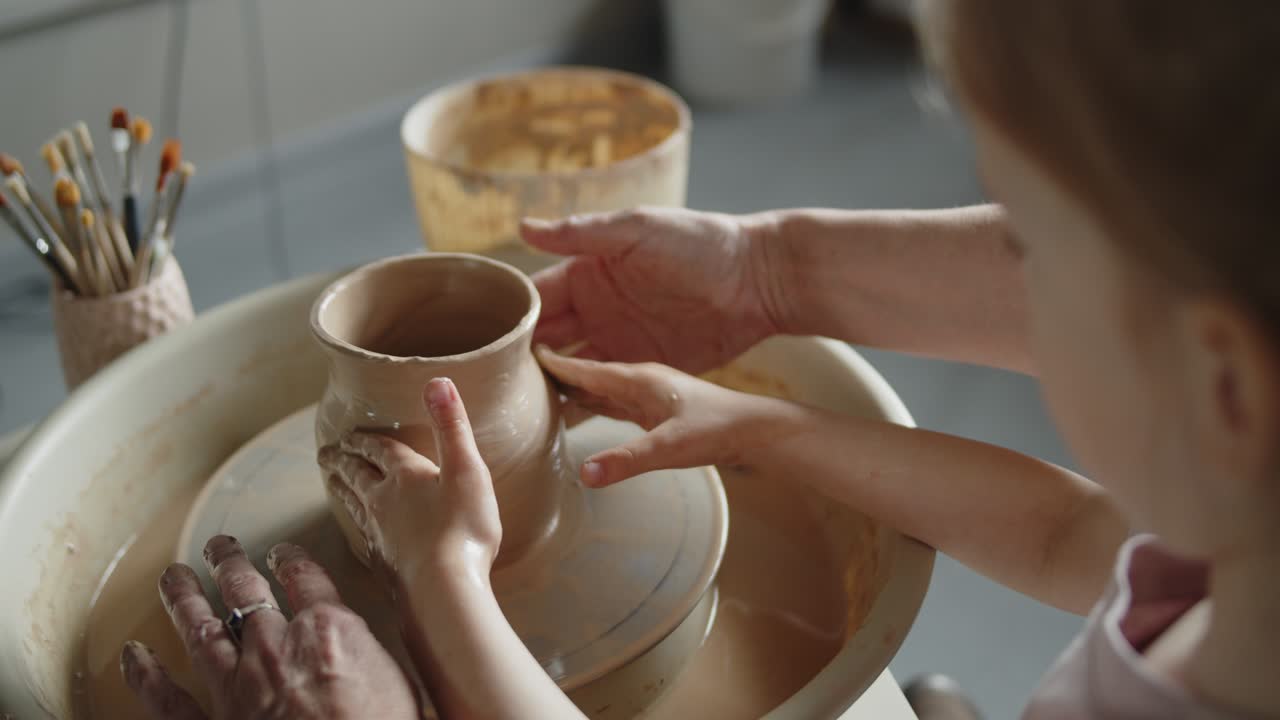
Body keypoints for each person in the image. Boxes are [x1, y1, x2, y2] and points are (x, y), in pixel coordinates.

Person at [124, 1, 1280, 717]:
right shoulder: (1237, 575)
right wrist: (772, 427)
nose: (997, 259)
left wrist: (444, 581)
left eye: (1019, 238)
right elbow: (1074, 539)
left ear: (1222, 385)